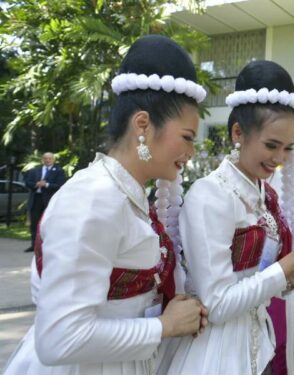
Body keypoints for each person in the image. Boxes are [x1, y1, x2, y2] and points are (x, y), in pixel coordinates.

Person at [3, 34, 208, 375]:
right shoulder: (93, 199)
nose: (191, 152)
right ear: (142, 124)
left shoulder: (128, 195)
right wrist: (164, 326)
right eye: (187, 137)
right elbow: (58, 338)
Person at [160, 60, 294, 375]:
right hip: (216, 354)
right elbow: (216, 305)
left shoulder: (263, 194)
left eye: (287, 148)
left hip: (261, 345)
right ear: (238, 132)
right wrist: (292, 262)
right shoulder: (209, 195)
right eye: (271, 145)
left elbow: (254, 276)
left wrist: (287, 280)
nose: (279, 159)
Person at [23, 152, 65, 252]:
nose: (48, 160)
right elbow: (27, 182)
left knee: (49, 223)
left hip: (49, 200)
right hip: (36, 199)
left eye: (50, 158)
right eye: (46, 158)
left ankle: (48, 246)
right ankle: (34, 246)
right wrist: (36, 184)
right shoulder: (35, 170)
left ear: (53, 160)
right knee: (34, 223)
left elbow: (60, 185)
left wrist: (46, 185)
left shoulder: (59, 171)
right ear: (42, 159)